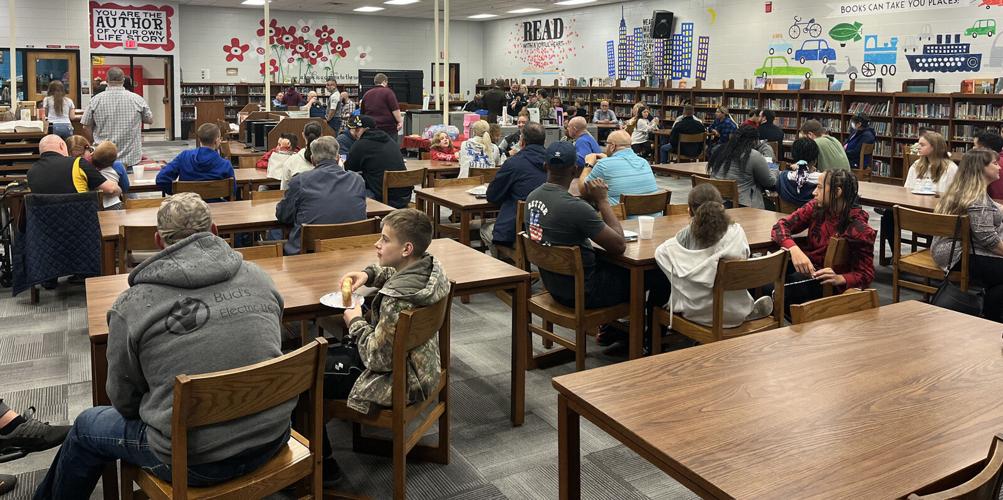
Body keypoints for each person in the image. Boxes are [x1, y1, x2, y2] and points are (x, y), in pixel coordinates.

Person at [34, 193, 295, 499]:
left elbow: (122, 399)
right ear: (214, 231)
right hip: (273, 436)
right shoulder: (261, 279)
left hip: (193, 462)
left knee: (86, 425)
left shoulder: (132, 305)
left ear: (159, 241)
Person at [655, 184, 773, 328]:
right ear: (722, 207)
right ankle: (748, 310)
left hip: (695, 313)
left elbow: (661, 253)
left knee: (659, 286)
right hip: (736, 313)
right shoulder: (737, 233)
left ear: (689, 212)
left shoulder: (674, 245)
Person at [771, 169, 876, 314]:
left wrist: (840, 278)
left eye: (819, 187)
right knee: (757, 278)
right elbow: (780, 226)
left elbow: (866, 274)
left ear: (837, 192)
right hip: (806, 270)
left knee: (769, 290)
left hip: (824, 283)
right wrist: (794, 250)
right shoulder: (816, 207)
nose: (814, 192)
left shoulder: (859, 229)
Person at [931, 148, 1003, 323]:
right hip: (957, 255)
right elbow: (989, 240)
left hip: (948, 250)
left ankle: (989, 309)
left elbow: (989, 211)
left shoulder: (965, 190)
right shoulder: (977, 197)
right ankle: (991, 315)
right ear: (981, 168)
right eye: (994, 163)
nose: (999, 167)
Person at [276, 136, 366, 255]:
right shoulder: (357, 180)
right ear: (338, 158)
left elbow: (283, 215)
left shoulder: (300, 181)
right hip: (351, 251)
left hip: (308, 254)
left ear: (312, 160)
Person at [482, 122, 548, 256]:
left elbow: (493, 196)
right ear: (544, 141)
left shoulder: (514, 163)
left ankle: (505, 269)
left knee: (486, 230)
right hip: (548, 229)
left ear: (522, 141)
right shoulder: (554, 162)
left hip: (518, 230)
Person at [81, 67, 153, 167]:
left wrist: (94, 141)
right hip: (131, 158)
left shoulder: (95, 100)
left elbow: (85, 126)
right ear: (123, 80)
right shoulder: (137, 99)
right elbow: (149, 120)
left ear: (106, 81)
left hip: (103, 157)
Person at [345, 115, 411, 208]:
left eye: (357, 129)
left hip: (383, 196)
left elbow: (349, 169)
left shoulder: (360, 145)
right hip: (405, 195)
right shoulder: (389, 139)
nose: (354, 133)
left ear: (366, 129)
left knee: (349, 194)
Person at [580, 130, 658, 208]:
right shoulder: (644, 162)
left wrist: (588, 164)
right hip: (651, 217)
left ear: (612, 146)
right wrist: (609, 159)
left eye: (607, 144)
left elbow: (582, 189)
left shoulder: (603, 164)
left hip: (620, 217)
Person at [27, 135, 121, 197]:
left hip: (45, 225)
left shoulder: (31, 172)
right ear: (62, 146)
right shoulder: (77, 163)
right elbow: (111, 189)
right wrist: (119, 191)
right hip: (81, 222)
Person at [156, 123, 235, 197]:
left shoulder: (184, 156)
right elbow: (232, 190)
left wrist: (178, 193)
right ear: (217, 140)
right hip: (216, 208)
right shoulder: (225, 164)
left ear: (199, 139)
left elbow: (161, 179)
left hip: (187, 207)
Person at [708, 125, 777, 208]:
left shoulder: (719, 150)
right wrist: (773, 166)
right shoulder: (752, 155)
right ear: (754, 141)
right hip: (742, 204)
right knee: (771, 207)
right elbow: (770, 182)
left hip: (716, 201)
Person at [276, 122, 323, 190]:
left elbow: (284, 190)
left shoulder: (291, 161)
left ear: (303, 135)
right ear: (321, 136)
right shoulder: (333, 161)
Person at [777, 138, 821, 208]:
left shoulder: (782, 177)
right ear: (815, 160)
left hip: (787, 217)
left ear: (794, 158)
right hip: (813, 217)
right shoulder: (823, 181)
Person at [360, 73, 403, 140]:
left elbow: (362, 113)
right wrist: (400, 121)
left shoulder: (366, 94)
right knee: (390, 149)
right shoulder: (388, 92)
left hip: (371, 130)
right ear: (384, 82)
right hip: (388, 130)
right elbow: (395, 109)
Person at [90, 141, 129, 210]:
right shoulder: (118, 166)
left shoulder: (91, 168)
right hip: (114, 203)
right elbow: (125, 186)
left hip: (97, 205)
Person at [975, 132, 1003, 198]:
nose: (973, 150)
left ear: (984, 149)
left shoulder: (991, 165)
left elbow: (999, 199)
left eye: (976, 147)